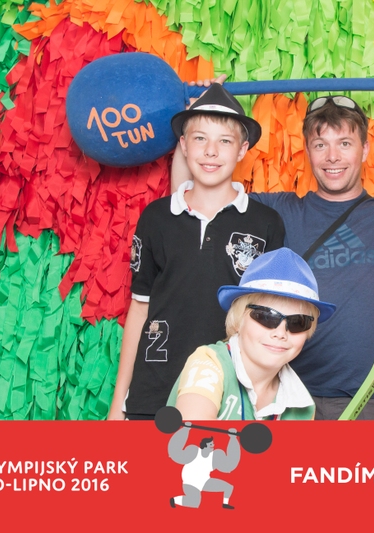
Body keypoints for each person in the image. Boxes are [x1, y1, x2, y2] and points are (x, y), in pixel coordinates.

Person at [173, 75, 374, 420]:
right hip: (287, 398)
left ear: (365, 150)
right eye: (320, 145)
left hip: (369, 401)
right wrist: (198, 116)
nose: (332, 157)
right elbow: (189, 199)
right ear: (307, 152)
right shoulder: (279, 210)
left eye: (345, 143)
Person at [108, 84, 286, 421]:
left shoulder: (266, 223)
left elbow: (269, 320)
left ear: (242, 150)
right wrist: (119, 403)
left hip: (228, 395)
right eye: (200, 138)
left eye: (225, 141)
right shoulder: (157, 218)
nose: (211, 151)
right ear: (184, 145)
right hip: (153, 392)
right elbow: (140, 309)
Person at [168, 247, 336, 420]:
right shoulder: (209, 363)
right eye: (266, 316)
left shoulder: (302, 405)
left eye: (297, 322)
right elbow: (193, 432)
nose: (280, 333)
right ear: (238, 320)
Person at [168, 425, 240, 509]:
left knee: (228, 487)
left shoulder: (214, 457)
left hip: (204, 481)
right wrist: (185, 429)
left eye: (213, 443)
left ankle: (225, 504)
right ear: (205, 445)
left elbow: (230, 464)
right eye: (211, 444)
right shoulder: (194, 452)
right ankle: (174, 500)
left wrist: (233, 438)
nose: (213, 445)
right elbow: (176, 452)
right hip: (191, 481)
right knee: (194, 503)